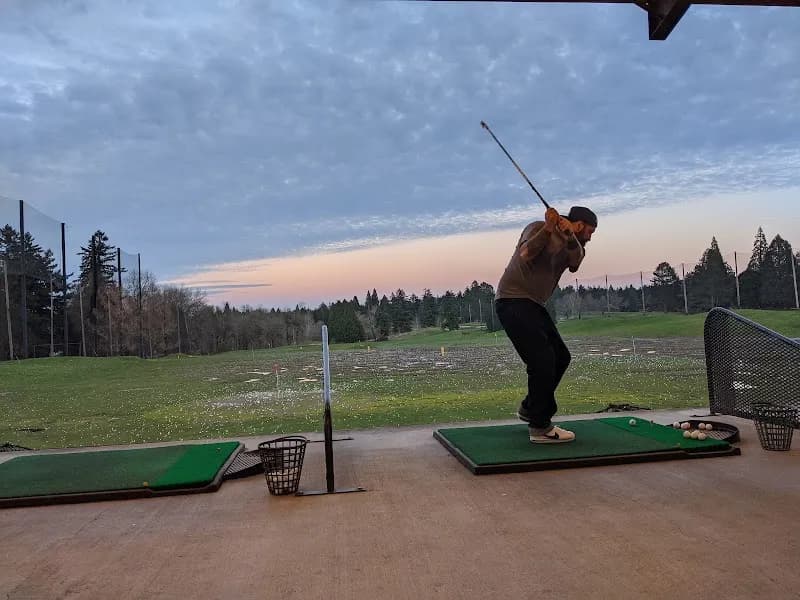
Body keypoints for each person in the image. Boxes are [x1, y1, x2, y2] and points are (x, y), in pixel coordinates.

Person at [494, 206, 597, 443]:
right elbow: (526, 254)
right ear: (580, 224)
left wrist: (569, 235)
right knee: (542, 360)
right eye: (589, 231)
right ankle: (540, 427)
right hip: (512, 299)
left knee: (561, 356)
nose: (590, 237)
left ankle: (530, 408)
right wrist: (550, 228)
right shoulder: (537, 227)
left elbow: (575, 262)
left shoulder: (577, 245)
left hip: (532, 304)